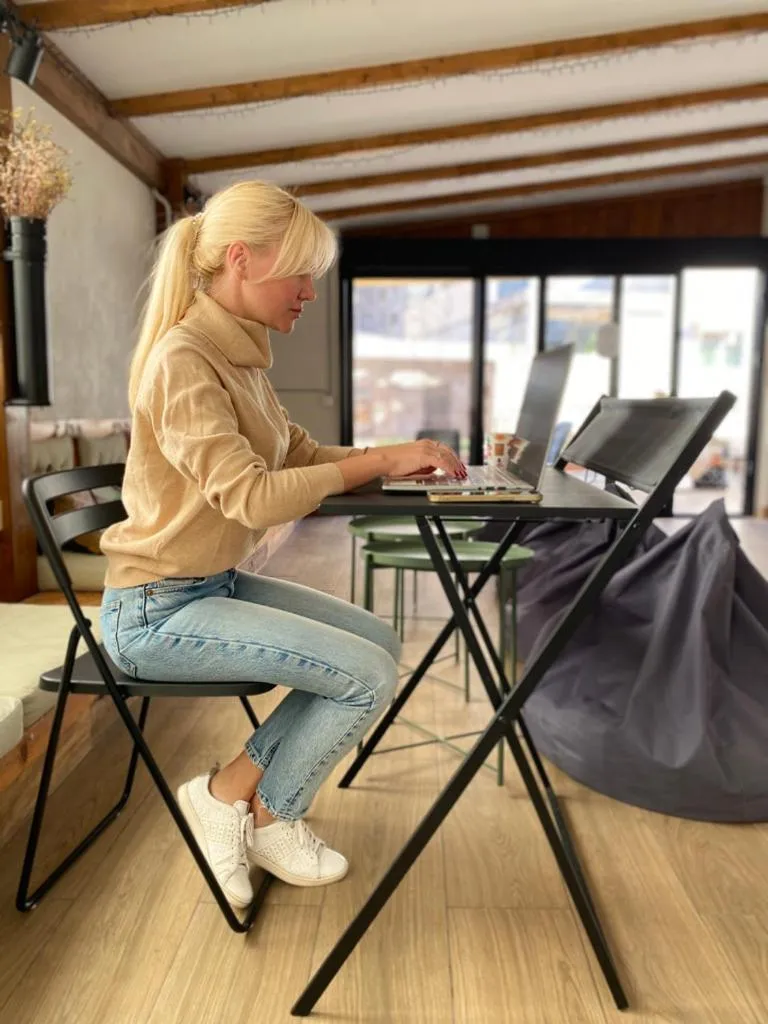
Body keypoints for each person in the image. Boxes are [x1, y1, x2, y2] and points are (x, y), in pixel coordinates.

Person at [99, 180, 466, 908]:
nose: (309, 292)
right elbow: (251, 495)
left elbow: (294, 453)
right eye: (300, 273)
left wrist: (393, 453)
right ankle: (267, 811)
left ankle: (230, 794)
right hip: (154, 612)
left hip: (207, 584)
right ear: (242, 259)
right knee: (364, 675)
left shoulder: (238, 354)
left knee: (376, 643)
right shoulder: (185, 360)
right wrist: (376, 463)